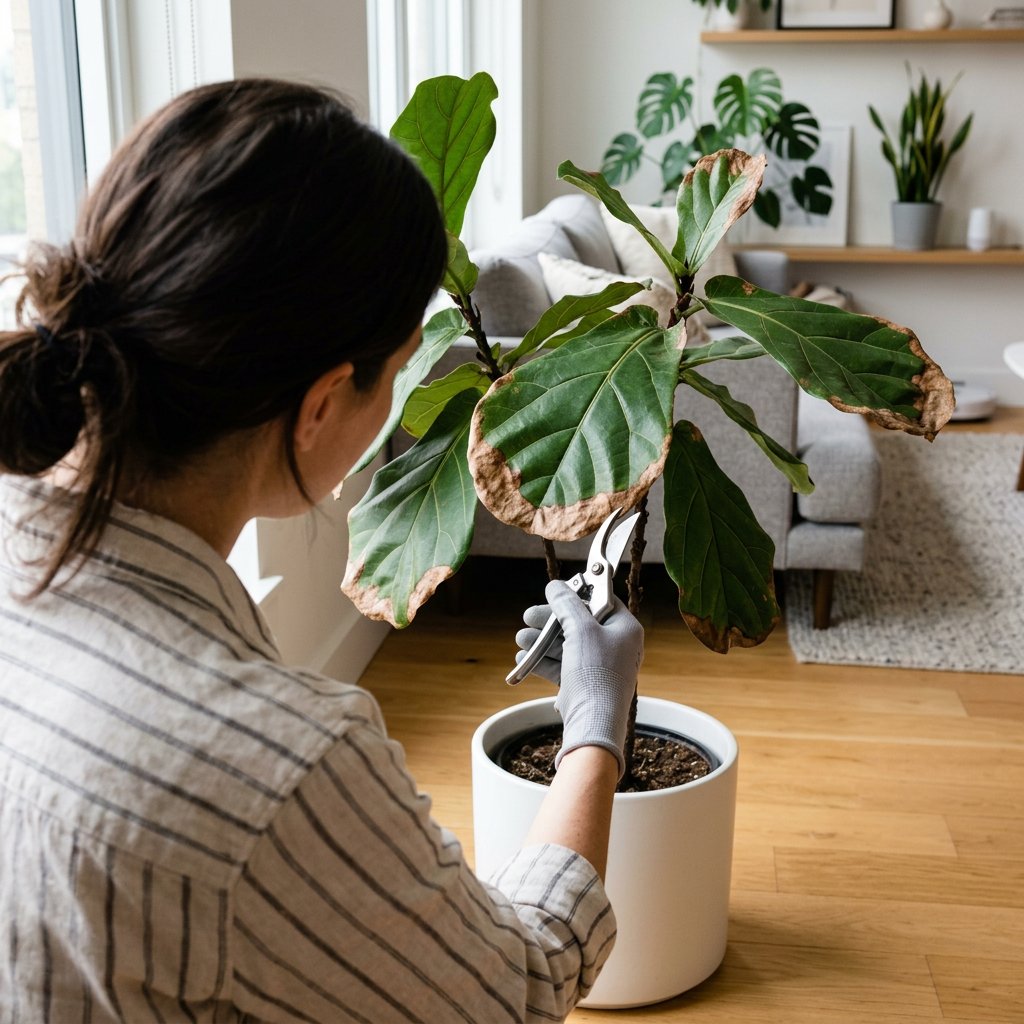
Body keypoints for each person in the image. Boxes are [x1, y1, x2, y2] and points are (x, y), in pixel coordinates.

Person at [0, 78, 644, 1023]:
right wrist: (598, 723)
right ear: (320, 405)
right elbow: (517, 992)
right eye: (398, 367)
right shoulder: (269, 771)